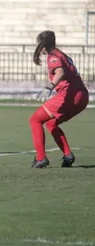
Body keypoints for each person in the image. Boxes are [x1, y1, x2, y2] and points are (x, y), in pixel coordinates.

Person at [30, 30, 89, 168]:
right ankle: (68, 155)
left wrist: (49, 87)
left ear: (42, 44)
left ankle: (41, 158)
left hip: (69, 95)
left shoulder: (53, 56)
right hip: (82, 96)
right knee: (51, 124)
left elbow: (60, 72)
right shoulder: (61, 54)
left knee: (35, 120)